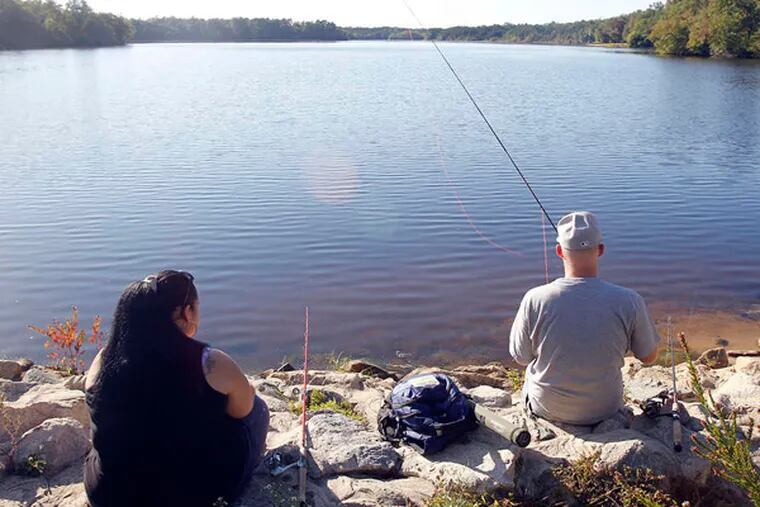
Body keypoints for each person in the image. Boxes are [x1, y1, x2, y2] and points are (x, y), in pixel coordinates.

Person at [84, 270, 269, 507]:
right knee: (258, 410)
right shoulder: (210, 363)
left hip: (109, 496)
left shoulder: (103, 361)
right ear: (186, 312)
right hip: (191, 497)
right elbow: (242, 410)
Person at [508, 211, 660, 428]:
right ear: (601, 250)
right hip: (606, 408)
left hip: (547, 407)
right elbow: (649, 357)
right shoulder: (629, 299)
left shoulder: (535, 298)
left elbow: (521, 358)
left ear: (559, 251)